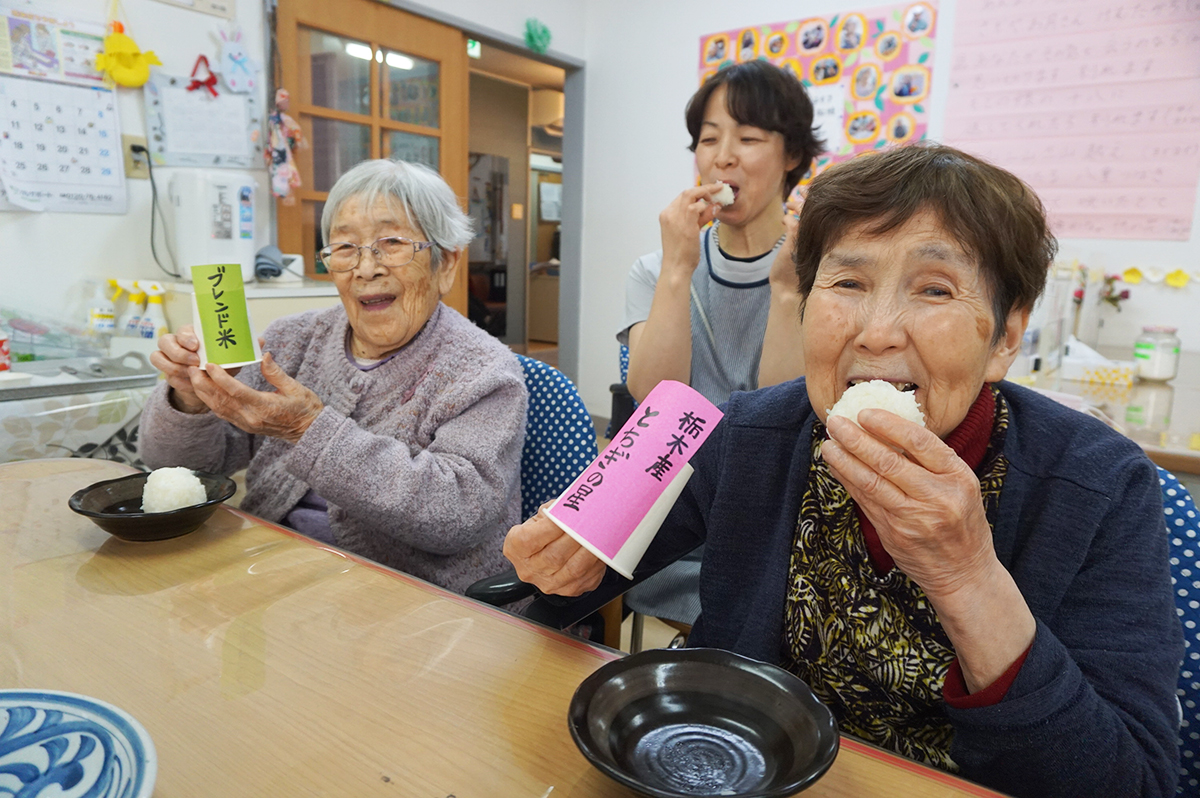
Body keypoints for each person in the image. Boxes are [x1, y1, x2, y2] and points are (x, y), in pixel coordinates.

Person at [506, 144, 1182, 796]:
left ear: (1006, 335)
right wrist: (558, 554)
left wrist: (969, 578)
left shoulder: (1101, 484)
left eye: (935, 289)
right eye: (848, 282)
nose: (877, 332)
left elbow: (1130, 780)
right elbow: (571, 585)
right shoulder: (752, 433)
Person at [140, 159, 527, 595]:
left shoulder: (485, 371)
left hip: (407, 601)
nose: (366, 269)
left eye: (392, 242)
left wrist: (308, 430)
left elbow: (457, 514)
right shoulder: (291, 340)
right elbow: (182, 468)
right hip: (266, 571)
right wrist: (190, 399)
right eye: (345, 248)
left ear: (446, 265)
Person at [617, 60, 824, 634]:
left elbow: (789, 413)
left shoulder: (822, 273)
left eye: (749, 138)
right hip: (675, 506)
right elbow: (652, 398)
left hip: (777, 511)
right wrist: (679, 269)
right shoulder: (656, 268)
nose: (722, 156)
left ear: (791, 156)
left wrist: (788, 292)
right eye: (708, 139)